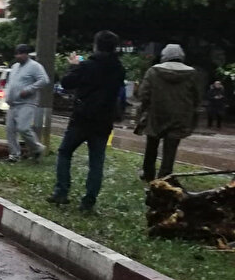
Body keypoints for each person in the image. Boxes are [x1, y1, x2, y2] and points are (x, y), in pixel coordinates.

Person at [47, 31, 126, 212]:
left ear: (96, 45)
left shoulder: (87, 66)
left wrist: (74, 66)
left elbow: (67, 83)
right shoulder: (119, 68)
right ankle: (89, 201)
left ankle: (61, 191)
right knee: (96, 161)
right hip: (104, 120)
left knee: (65, 152)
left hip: (82, 118)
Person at [137, 44, 200, 181]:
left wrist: (144, 110)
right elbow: (197, 96)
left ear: (164, 56)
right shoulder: (192, 73)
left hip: (156, 114)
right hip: (180, 115)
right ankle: (165, 176)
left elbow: (144, 94)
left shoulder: (153, 72)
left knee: (151, 145)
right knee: (171, 148)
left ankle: (148, 173)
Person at [4, 44, 48, 162]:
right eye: (16, 53)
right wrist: (7, 95)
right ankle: (14, 155)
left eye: (21, 53)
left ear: (26, 54)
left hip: (27, 102)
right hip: (13, 103)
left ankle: (37, 148)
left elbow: (44, 80)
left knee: (23, 128)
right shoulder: (14, 67)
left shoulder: (35, 66)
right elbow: (10, 83)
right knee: (10, 130)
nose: (18, 56)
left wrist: (29, 89)